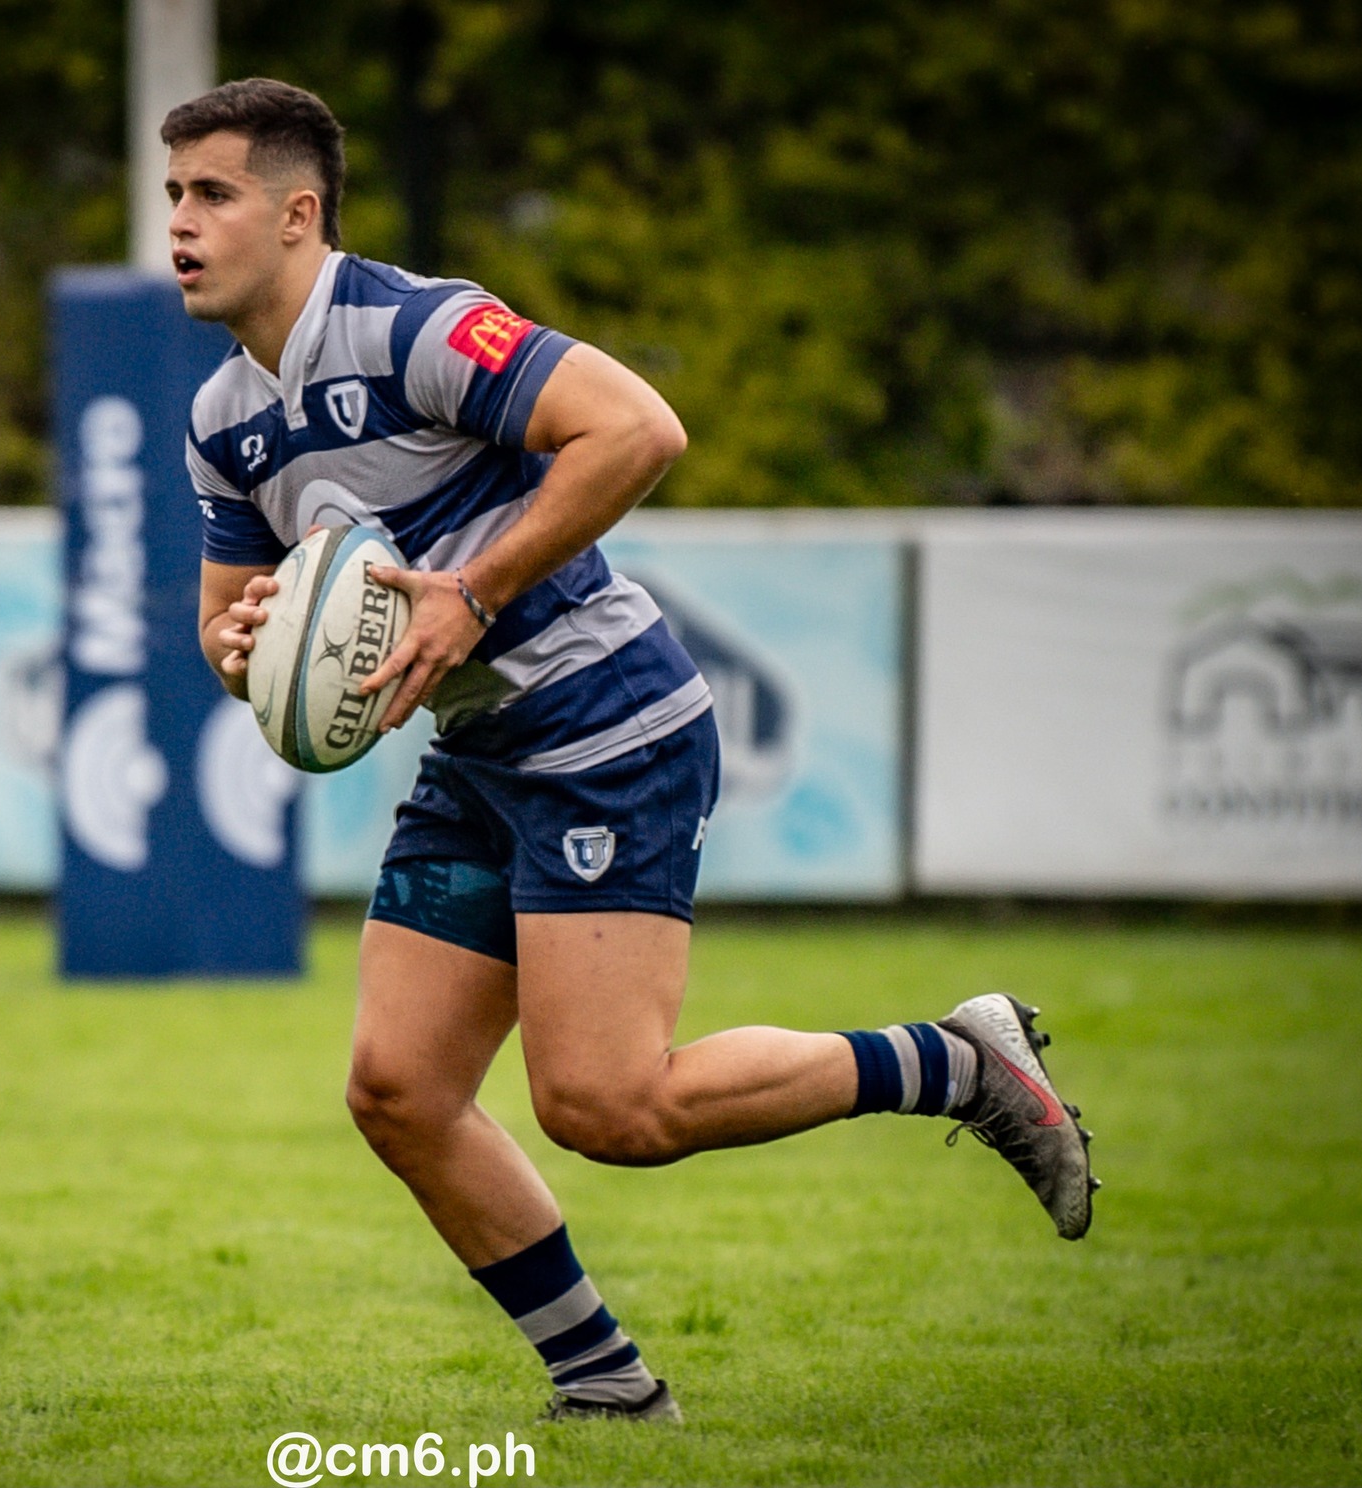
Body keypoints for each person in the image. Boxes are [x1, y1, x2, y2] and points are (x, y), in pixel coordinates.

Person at [169, 78, 1095, 1423]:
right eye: (174, 198)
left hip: (607, 727)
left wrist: (472, 592)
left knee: (612, 1109)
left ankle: (955, 1064)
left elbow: (638, 428)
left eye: (213, 194)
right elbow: (219, 631)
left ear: (298, 213)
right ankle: (605, 1389)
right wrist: (252, 641)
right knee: (399, 1091)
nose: (182, 226)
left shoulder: (417, 327)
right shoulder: (221, 419)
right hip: (480, 754)